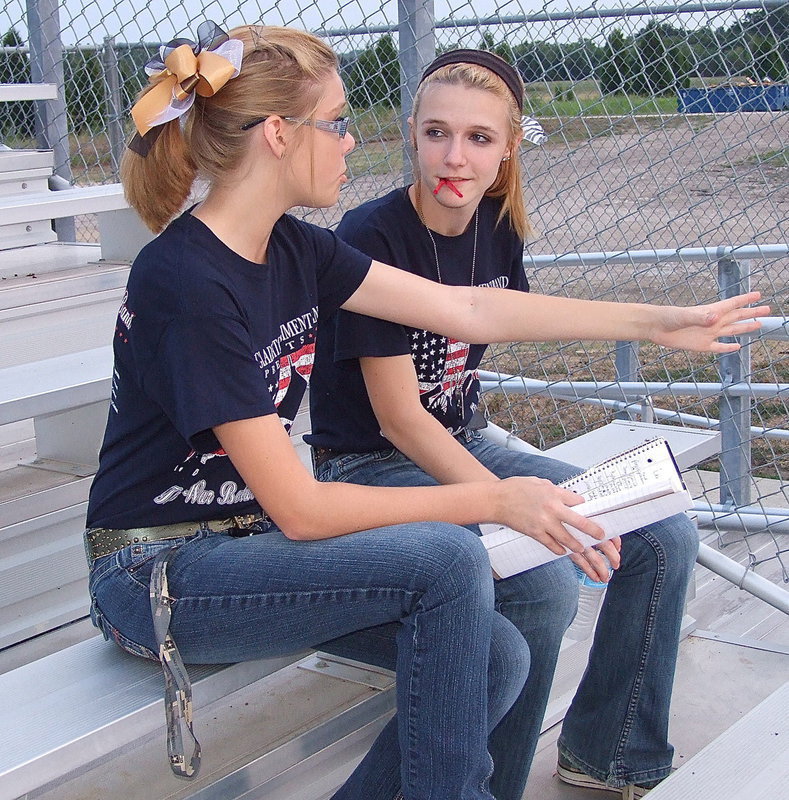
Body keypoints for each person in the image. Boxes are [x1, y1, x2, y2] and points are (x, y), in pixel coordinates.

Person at [84, 23, 765, 800]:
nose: (349, 143)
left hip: (242, 549)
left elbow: (465, 311)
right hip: (156, 574)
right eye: (336, 122)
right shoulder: (187, 282)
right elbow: (303, 509)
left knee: (496, 658)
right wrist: (497, 500)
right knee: (444, 565)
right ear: (278, 134)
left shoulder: (295, 249)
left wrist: (656, 322)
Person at [306, 49, 767, 800]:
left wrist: (661, 324)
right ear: (411, 135)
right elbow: (397, 420)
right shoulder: (371, 236)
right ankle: (494, 786)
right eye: (435, 133)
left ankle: (610, 753)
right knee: (540, 574)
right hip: (372, 459)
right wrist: (509, 503)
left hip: (464, 435)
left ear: (508, 146)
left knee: (662, 532)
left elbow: (492, 330)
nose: (453, 157)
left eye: (479, 139)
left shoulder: (496, 224)